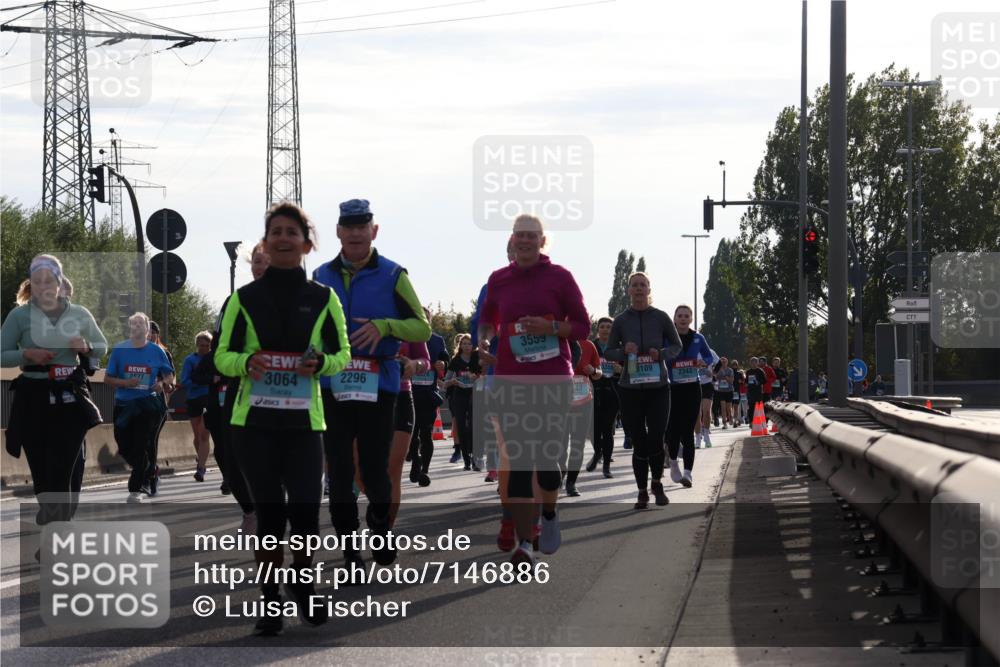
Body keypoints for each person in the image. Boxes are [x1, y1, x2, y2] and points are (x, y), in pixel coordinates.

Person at [215, 201, 351, 635]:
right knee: (271, 518)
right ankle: (270, 600)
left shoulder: (324, 298)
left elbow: (342, 354)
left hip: (304, 423)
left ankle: (303, 581)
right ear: (266, 243)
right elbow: (222, 355)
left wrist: (322, 363)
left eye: (292, 232)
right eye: (276, 232)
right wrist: (246, 363)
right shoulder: (243, 299)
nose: (283, 238)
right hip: (253, 425)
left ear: (307, 245)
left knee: (306, 513)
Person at [313, 198, 431, 570]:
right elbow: (308, 327)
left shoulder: (394, 274)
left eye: (362, 226)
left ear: (373, 231)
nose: (355, 233)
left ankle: (379, 525)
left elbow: (422, 328)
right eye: (348, 227)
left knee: (375, 469)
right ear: (338, 232)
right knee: (339, 472)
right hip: (333, 386)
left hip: (379, 386)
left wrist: (385, 326)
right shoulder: (320, 275)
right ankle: (350, 552)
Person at [477, 214, 590, 566]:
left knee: (547, 459)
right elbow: (488, 319)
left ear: (542, 240)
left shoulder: (560, 277)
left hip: (553, 379)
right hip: (510, 380)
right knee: (519, 462)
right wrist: (484, 339)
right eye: (519, 235)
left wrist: (550, 327)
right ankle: (525, 542)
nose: (525, 240)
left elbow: (582, 327)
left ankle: (550, 514)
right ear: (512, 240)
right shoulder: (498, 279)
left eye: (532, 235)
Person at [2, 255, 107, 523]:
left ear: (59, 283)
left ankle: (58, 526)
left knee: (63, 467)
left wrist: (85, 347)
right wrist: (27, 354)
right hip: (32, 395)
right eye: (37, 281)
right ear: (31, 284)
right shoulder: (19, 316)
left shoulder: (79, 313)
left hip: (69, 394)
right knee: (41, 469)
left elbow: (101, 346)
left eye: (49, 280)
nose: (43, 286)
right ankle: (51, 512)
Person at [199, 241, 268, 531]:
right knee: (228, 453)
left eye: (267, 262)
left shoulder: (300, 298)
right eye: (257, 262)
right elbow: (218, 348)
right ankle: (250, 509)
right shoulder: (234, 302)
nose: (261, 268)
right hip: (238, 387)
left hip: (284, 393)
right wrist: (235, 365)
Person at [603, 272, 682, 509]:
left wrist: (662, 354)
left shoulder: (660, 317)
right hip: (630, 389)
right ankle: (641, 491)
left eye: (642, 285)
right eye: (634, 285)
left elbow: (676, 345)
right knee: (639, 440)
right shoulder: (621, 320)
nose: (638, 289)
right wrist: (623, 352)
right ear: (628, 290)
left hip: (659, 388)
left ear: (649, 289)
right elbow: (608, 352)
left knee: (656, 438)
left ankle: (656, 483)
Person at [105, 312, 174, 503]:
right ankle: (147, 467)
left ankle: (135, 488)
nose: (136, 327)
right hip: (124, 404)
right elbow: (107, 378)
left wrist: (162, 383)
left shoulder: (156, 351)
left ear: (147, 330)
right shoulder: (119, 350)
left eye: (140, 324)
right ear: (129, 328)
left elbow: (169, 375)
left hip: (147, 404)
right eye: (133, 324)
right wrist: (125, 383)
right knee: (123, 445)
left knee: (142, 443)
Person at [665, 305, 713, 487]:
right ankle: (673, 462)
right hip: (673, 388)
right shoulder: (667, 337)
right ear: (675, 319)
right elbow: (659, 356)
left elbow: (709, 357)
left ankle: (688, 473)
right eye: (680, 316)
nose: (683, 319)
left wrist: (702, 362)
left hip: (693, 387)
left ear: (691, 319)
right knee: (673, 431)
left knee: (688, 431)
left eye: (687, 316)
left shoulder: (698, 338)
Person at [388, 340, 430, 526]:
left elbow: (425, 360)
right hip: (366, 396)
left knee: (394, 468)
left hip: (402, 394)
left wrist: (415, 364)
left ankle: (384, 529)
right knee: (365, 469)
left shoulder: (409, 323)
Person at [408, 307, 448, 486]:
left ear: (429, 321)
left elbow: (445, 361)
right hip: (410, 393)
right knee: (412, 434)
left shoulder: (437, 340)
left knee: (426, 434)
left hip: (429, 395)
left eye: (425, 317)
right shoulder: (407, 337)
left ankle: (425, 470)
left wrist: (442, 364)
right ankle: (415, 460)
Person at [564, 337, 601, 496]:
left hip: (583, 400)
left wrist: (593, 371)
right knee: (559, 444)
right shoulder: (554, 341)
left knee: (578, 443)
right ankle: (560, 473)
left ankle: (571, 483)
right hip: (558, 400)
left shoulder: (588, 345)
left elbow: (599, 373)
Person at [588, 316, 620, 478]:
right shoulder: (591, 346)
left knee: (607, 430)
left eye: (609, 327)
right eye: (602, 327)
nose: (605, 330)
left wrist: (620, 369)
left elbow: (631, 369)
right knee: (593, 429)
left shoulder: (618, 348)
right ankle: (598, 452)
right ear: (598, 329)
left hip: (613, 392)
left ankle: (606, 466)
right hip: (593, 391)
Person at [443, 334, 481, 471]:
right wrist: (452, 381)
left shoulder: (478, 358)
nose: (466, 346)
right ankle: (466, 460)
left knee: (473, 427)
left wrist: (476, 377)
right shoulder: (456, 361)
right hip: (459, 395)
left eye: (469, 343)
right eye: (464, 343)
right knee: (461, 427)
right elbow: (445, 382)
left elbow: (485, 375)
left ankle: (476, 459)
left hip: (474, 394)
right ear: (460, 346)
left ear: (473, 345)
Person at [145, 321, 175, 495]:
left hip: (156, 403)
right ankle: (150, 469)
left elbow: (171, 379)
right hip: (135, 403)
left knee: (150, 439)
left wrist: (164, 384)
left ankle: (150, 476)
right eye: (147, 332)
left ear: (157, 335)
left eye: (153, 332)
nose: (149, 335)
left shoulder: (163, 353)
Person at [181, 331, 213, 482]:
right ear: (196, 345)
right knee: (197, 436)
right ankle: (201, 461)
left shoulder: (214, 359)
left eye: (207, 345)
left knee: (204, 434)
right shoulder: (190, 360)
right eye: (201, 345)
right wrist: (201, 381)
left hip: (209, 399)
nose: (204, 348)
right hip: (194, 399)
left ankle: (200, 468)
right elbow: (184, 381)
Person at [695, 346, 719, 449]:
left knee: (707, 411)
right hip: (695, 384)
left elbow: (719, 363)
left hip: (707, 385)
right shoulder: (691, 351)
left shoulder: (710, 351)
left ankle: (706, 436)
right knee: (697, 413)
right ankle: (697, 437)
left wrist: (713, 373)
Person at [715, 357, 734, 429]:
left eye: (725, 362)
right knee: (723, 407)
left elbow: (731, 380)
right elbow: (716, 378)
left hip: (729, 390)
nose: (723, 363)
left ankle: (730, 417)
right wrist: (718, 375)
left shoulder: (730, 370)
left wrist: (726, 378)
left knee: (728, 408)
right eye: (722, 362)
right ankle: (724, 423)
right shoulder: (719, 369)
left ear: (727, 362)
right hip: (721, 391)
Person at [730, 359, 747, 427]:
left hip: (736, 391)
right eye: (733, 365)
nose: (734, 366)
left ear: (737, 365)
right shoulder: (729, 372)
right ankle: (732, 419)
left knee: (736, 406)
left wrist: (741, 381)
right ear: (731, 365)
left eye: (735, 365)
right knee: (730, 407)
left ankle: (735, 420)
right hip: (729, 391)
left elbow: (744, 381)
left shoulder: (739, 373)